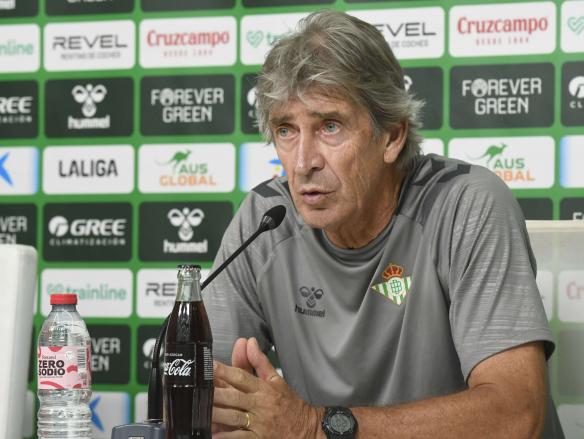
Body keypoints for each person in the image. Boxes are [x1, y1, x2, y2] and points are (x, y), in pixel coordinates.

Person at [205, 9, 564, 439]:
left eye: (330, 127)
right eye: (286, 130)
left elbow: (515, 416)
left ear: (392, 136)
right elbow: (202, 395)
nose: (302, 163)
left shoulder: (466, 204)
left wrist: (314, 427)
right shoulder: (266, 220)